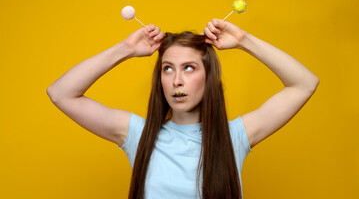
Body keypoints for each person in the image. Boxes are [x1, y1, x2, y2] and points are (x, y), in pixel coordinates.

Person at [46, 18, 319, 199]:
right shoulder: (138, 135)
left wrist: (243, 40)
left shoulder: (234, 136)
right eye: (168, 69)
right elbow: (61, 93)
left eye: (189, 68)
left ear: (208, 76)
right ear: (160, 79)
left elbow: (304, 83)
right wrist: (126, 49)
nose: (177, 80)